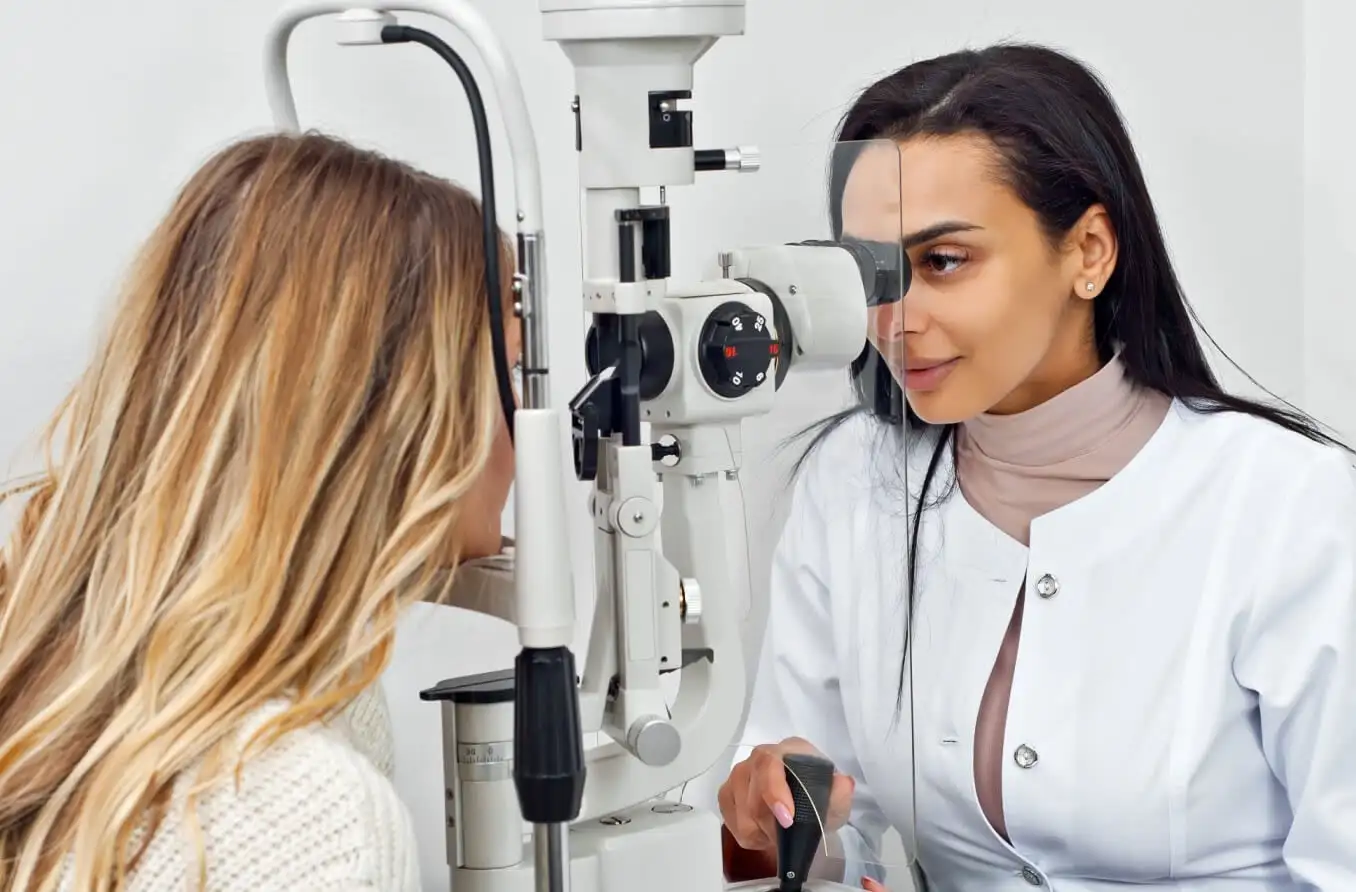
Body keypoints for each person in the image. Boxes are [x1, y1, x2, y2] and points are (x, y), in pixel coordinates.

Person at [718, 43, 1356, 891]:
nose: (895, 319)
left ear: (1088, 251)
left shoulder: (1290, 507)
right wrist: (784, 821)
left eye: (944, 262)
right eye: (871, 273)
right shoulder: (851, 483)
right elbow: (832, 831)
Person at [0, 132, 519, 891]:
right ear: (404, 418)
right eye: (510, 374)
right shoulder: (307, 814)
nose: (530, 422)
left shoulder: (52, 690)